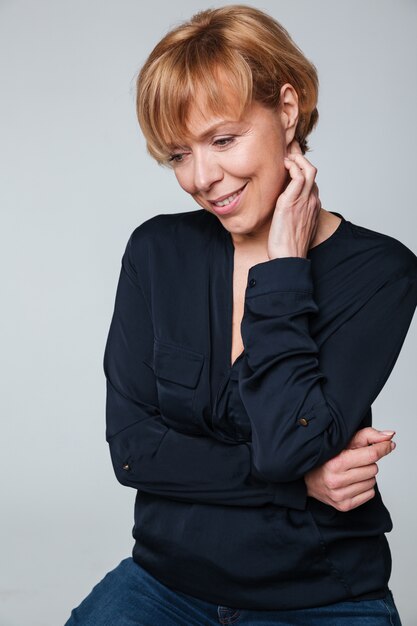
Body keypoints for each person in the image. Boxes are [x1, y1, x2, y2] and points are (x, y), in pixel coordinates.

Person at [65, 5, 417, 625]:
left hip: (320, 596)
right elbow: (134, 453)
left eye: (223, 140)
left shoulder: (381, 271)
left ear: (286, 110)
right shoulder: (156, 253)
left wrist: (283, 268)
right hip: (163, 584)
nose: (202, 177)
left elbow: (286, 445)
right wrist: (301, 484)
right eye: (178, 154)